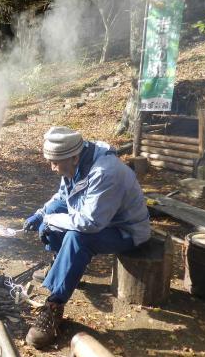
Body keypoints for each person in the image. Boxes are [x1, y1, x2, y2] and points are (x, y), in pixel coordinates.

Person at [23, 126, 150, 349]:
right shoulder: (77, 163)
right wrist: (42, 213)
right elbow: (63, 196)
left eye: (55, 162)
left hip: (126, 231)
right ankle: (62, 269)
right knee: (49, 225)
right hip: (101, 223)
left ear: (73, 157)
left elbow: (90, 224)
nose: (52, 168)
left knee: (77, 238)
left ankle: (53, 307)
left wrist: (52, 219)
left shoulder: (105, 172)